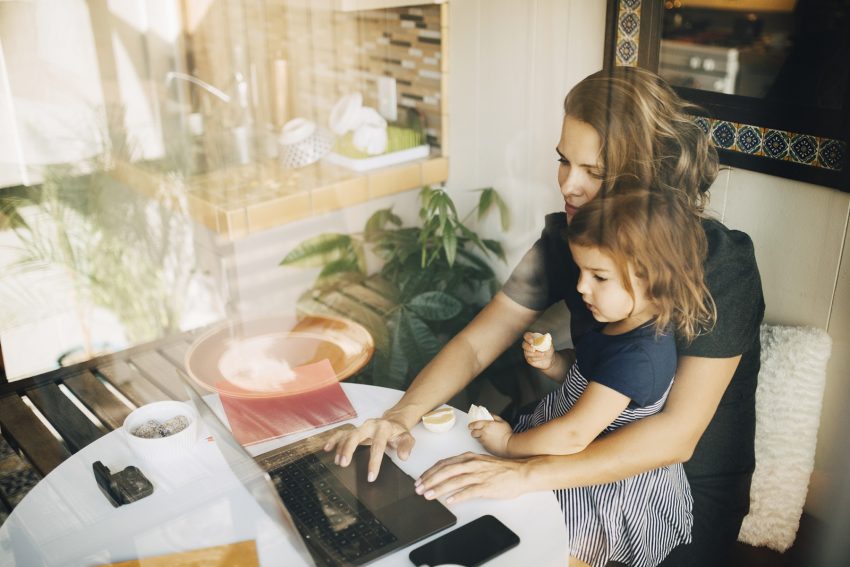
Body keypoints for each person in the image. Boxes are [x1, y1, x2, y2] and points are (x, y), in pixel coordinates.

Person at [324, 66, 765, 567]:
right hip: (568, 456)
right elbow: (478, 342)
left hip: (672, 500)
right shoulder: (568, 240)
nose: (570, 186)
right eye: (564, 161)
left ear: (648, 173)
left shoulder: (723, 265)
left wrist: (524, 473)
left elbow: (676, 436)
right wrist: (399, 416)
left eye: (595, 172)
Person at [470, 189, 714, 566]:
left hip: (599, 483)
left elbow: (574, 435)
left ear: (654, 280)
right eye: (581, 270)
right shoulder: (619, 323)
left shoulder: (639, 357)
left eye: (599, 276)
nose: (582, 286)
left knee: (548, 547)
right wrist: (553, 363)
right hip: (567, 446)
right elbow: (585, 378)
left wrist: (508, 445)